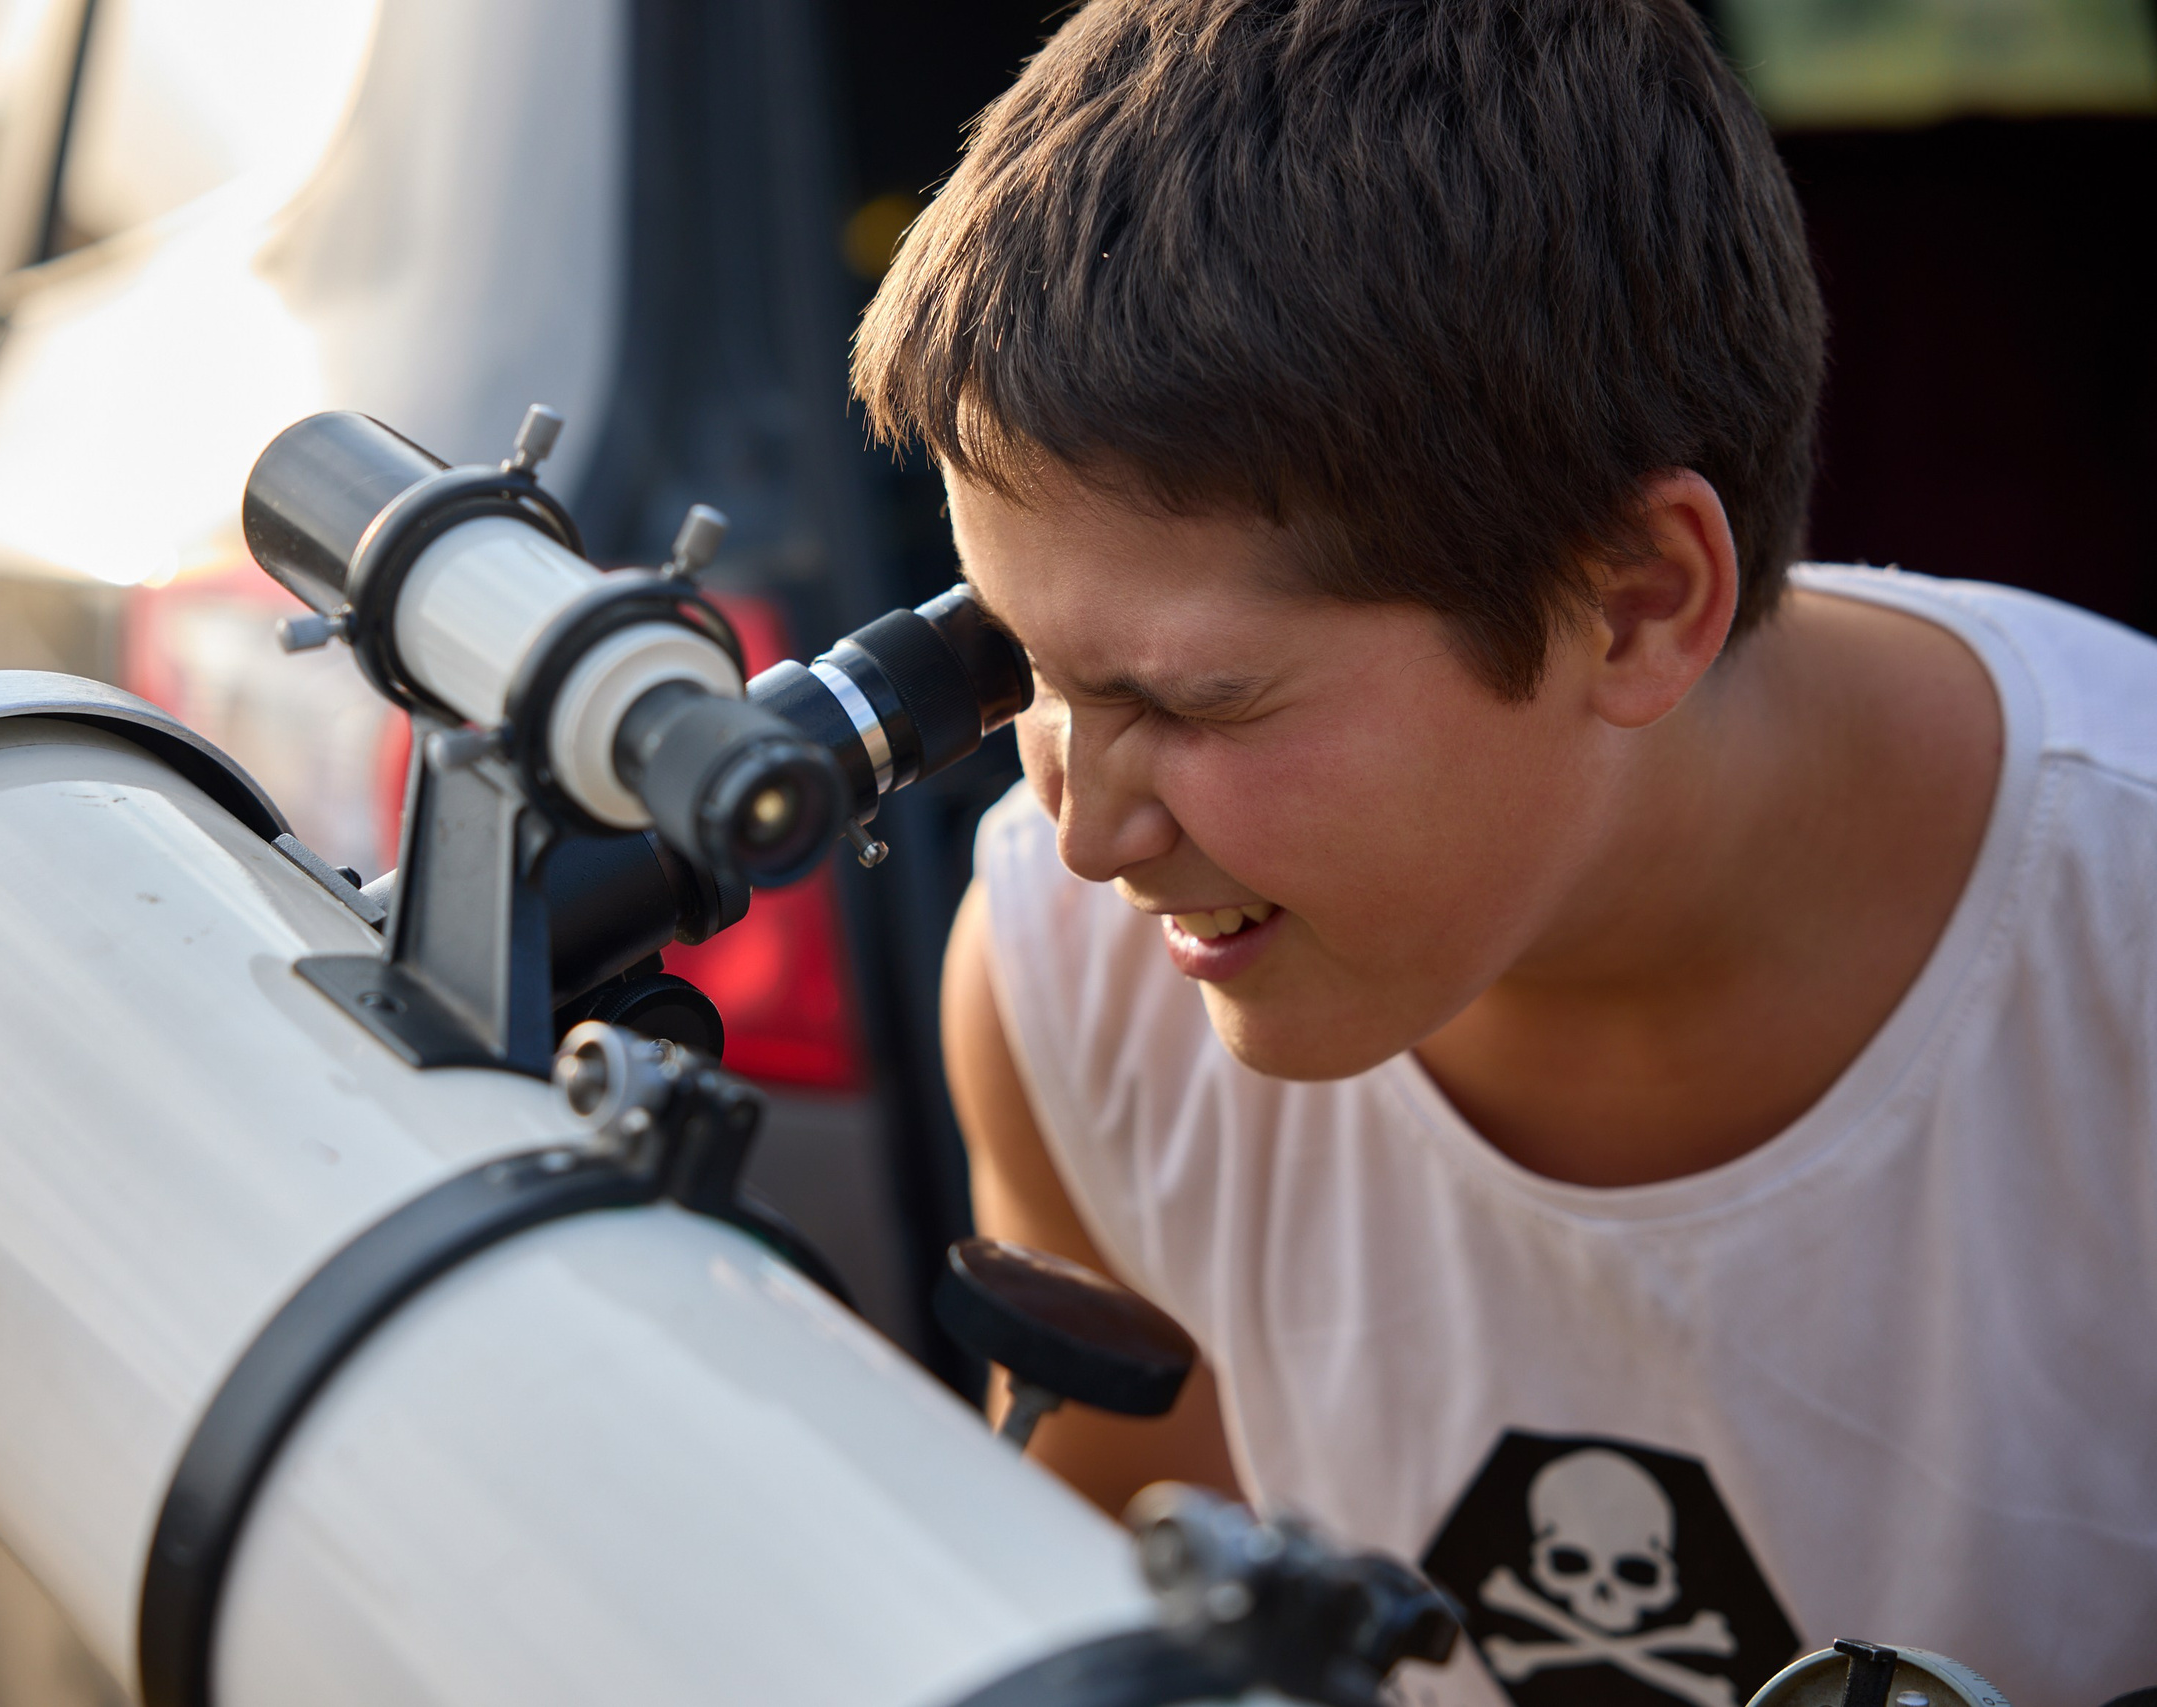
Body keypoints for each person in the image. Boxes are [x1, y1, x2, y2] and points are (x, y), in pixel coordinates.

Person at [848, 3, 2157, 1703]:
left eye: (1198, 700)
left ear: (1635, 600)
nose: (1085, 832)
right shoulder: (1061, 979)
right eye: (1028, 670)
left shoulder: (2117, 949)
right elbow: (1133, 1614)